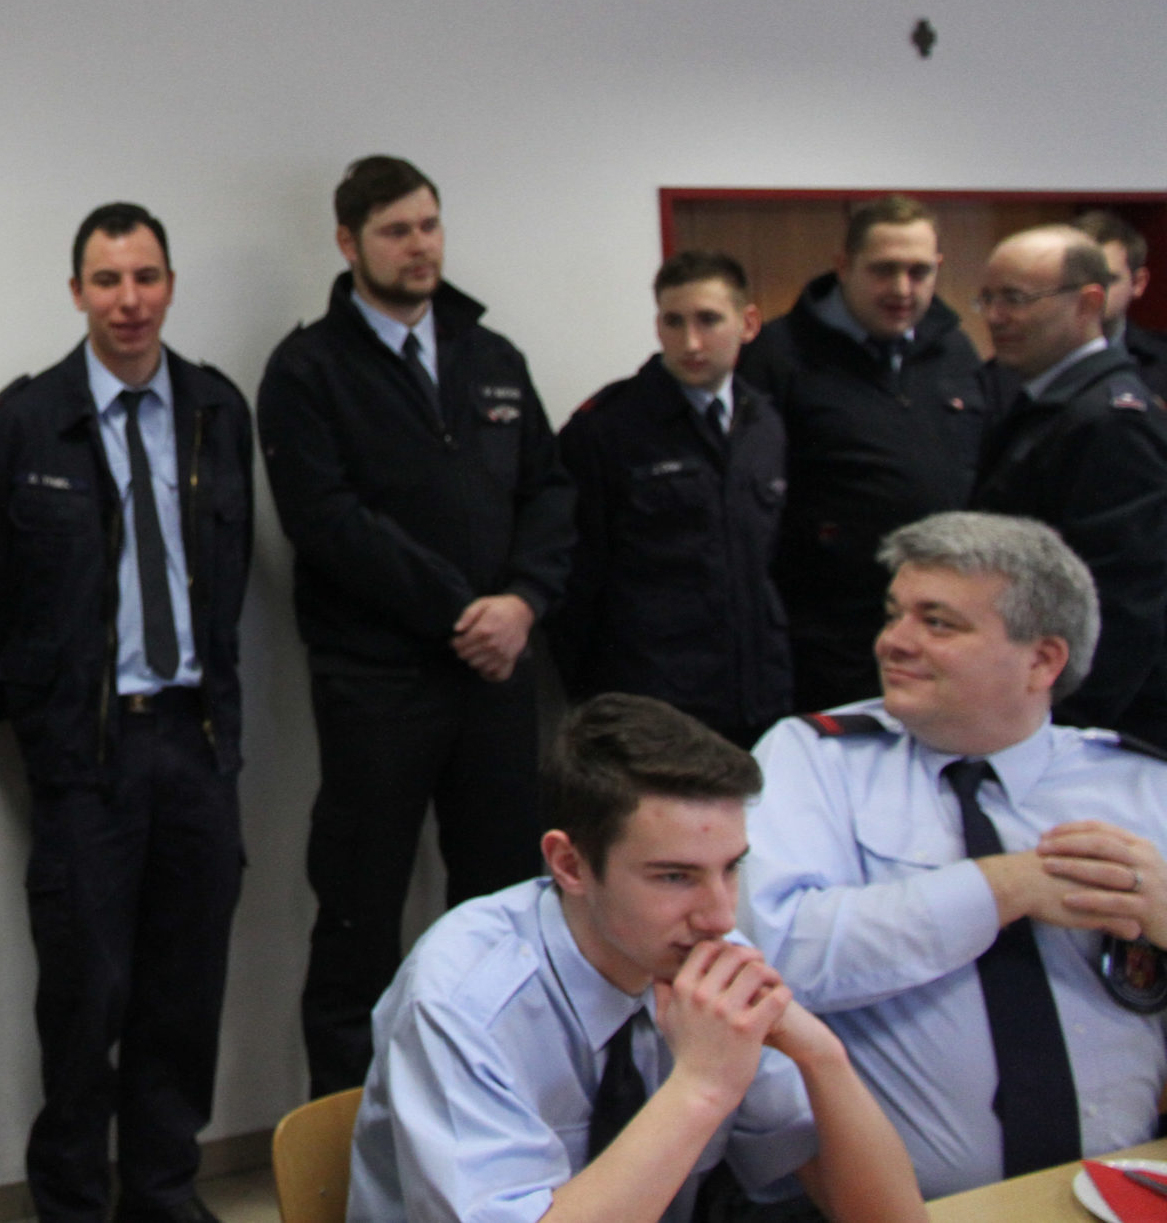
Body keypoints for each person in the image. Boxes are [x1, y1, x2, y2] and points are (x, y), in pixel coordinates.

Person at [0, 203, 255, 1223]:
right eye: (108, 280)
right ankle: (72, 1203)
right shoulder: (18, 424)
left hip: (196, 744)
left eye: (146, 277)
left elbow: (231, 572)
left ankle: (164, 1193)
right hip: (88, 755)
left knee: (184, 996)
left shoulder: (217, 410)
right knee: (84, 1002)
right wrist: (37, 718)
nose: (129, 301)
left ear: (170, 285)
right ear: (76, 290)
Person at [349, 694, 925, 1223]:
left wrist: (822, 1057)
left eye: (731, 868)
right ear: (570, 865)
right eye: (675, 877)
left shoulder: (705, 960)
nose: (719, 915)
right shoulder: (461, 998)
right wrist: (700, 1087)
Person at [257, 154, 575, 1096]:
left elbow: (550, 493)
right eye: (396, 230)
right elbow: (328, 520)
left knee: (508, 909)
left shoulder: (492, 356)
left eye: (429, 225)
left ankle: (505, 1114)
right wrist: (459, 609)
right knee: (360, 915)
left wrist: (521, 602)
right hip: (377, 685)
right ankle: (348, 1143)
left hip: (497, 677)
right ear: (348, 242)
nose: (420, 245)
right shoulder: (308, 369)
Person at [746, 512, 1167, 1199]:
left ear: (1042, 660)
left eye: (938, 622)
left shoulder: (1142, 788)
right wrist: (1001, 888)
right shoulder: (815, 760)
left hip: (1117, 1197)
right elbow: (770, 951)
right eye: (894, 614)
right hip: (893, 1207)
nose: (893, 640)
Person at [739, 195, 986, 714]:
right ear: (844, 265)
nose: (902, 289)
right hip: (825, 636)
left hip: (944, 627)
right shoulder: (777, 357)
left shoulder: (954, 351)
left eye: (919, 271)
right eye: (884, 270)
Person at [554, 250, 789, 747]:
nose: (691, 342)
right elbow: (575, 581)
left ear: (748, 323)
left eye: (708, 320)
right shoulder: (608, 428)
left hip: (758, 696)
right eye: (673, 322)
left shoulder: (764, 422)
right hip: (654, 702)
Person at [968, 224, 1167, 740]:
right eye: (988, 298)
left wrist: (1062, 728)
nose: (995, 317)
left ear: (1088, 303)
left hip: (1095, 721)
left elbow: (1124, 601)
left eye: (1016, 299)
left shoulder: (1110, 421)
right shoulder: (1043, 403)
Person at [1073, 207, 1167, 398]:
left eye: (1107, 279)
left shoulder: (1162, 357)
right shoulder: (1024, 359)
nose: (1092, 292)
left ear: (1138, 283)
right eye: (1079, 279)